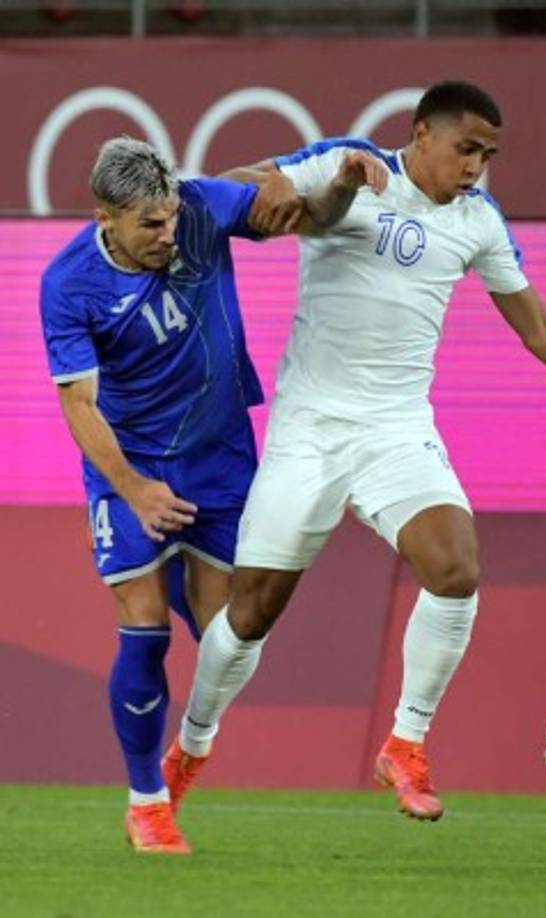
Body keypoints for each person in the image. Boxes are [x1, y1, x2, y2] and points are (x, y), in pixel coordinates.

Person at [165, 81, 546, 825]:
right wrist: (279, 187)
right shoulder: (348, 165)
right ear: (422, 134)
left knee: (455, 569)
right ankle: (193, 744)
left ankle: (406, 742)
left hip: (396, 429)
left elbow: (540, 331)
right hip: (309, 429)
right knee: (252, 611)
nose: (476, 166)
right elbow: (234, 191)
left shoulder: (478, 222)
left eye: (488, 155)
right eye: (466, 149)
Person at [39, 136, 388, 853]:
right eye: (149, 224)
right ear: (105, 217)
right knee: (144, 629)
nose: (168, 233)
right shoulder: (69, 283)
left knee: (230, 639)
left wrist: (341, 188)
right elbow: (79, 404)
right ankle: (147, 802)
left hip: (221, 455)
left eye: (170, 216)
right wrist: (134, 490)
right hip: (132, 465)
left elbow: (308, 216)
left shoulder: (201, 207)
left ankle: (188, 708)